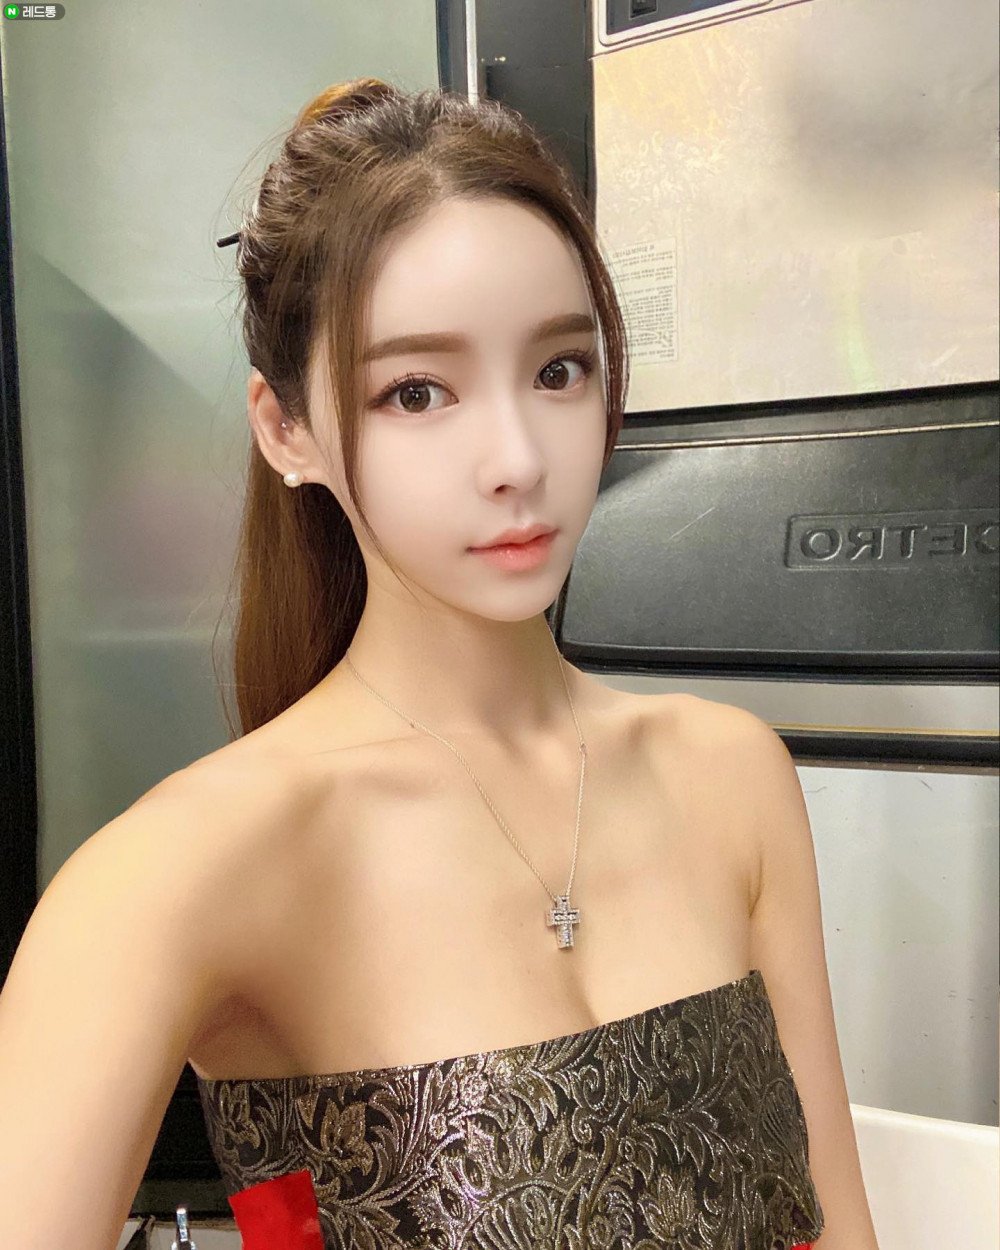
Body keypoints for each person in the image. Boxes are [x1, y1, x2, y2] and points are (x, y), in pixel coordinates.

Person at [0, 79, 879, 1249]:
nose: (516, 457)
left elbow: (840, 1227)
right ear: (286, 429)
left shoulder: (731, 775)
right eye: (416, 391)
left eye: (558, 369)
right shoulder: (186, 867)